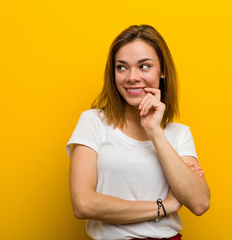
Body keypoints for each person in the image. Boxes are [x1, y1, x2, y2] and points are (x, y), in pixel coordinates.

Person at [66, 25, 210, 240]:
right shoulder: (93, 122)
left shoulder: (178, 134)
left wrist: (155, 132)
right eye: (122, 67)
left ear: (162, 71)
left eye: (144, 66)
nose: (132, 77)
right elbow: (83, 204)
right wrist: (166, 205)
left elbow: (199, 203)